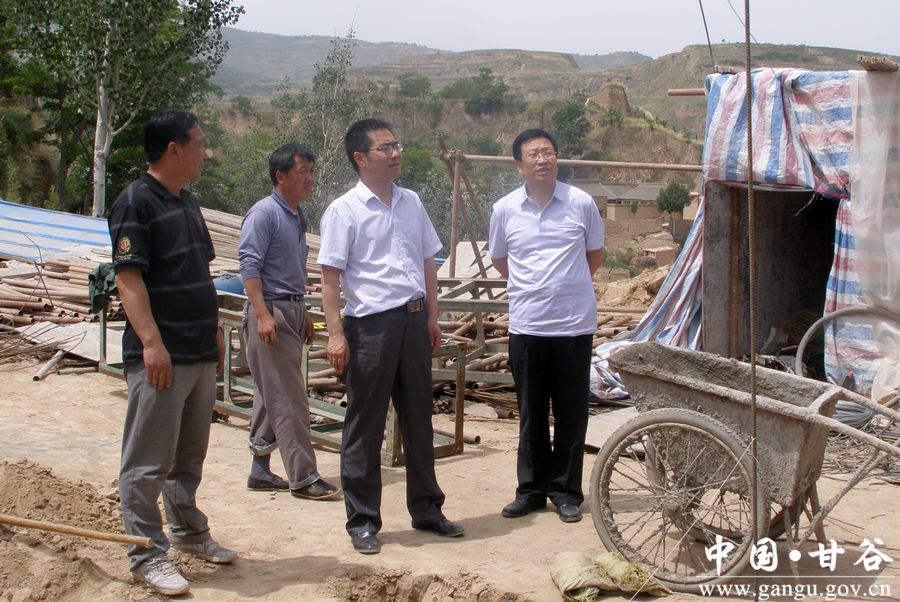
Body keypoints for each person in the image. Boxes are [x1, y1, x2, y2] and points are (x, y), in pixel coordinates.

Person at [318, 118, 464, 555]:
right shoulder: (344, 210)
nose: (395, 153)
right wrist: (336, 335)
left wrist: (433, 317)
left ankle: (427, 509)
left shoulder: (411, 202)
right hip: (371, 327)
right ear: (360, 158)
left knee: (419, 418)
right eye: (385, 148)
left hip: (413, 322)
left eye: (396, 145)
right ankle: (363, 521)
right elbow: (330, 277)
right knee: (365, 424)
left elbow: (428, 262)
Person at [108, 109, 237, 597]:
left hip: (197, 348)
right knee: (147, 460)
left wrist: (214, 331)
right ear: (173, 149)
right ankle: (146, 553)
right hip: (162, 355)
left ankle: (187, 531)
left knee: (188, 455)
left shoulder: (186, 201)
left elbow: (200, 272)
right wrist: (151, 343)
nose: (206, 152)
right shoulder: (135, 201)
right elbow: (128, 278)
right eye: (199, 143)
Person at [489, 128, 605, 524]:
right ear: (519, 165)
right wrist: (533, 288)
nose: (543, 160)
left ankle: (566, 492)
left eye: (548, 152)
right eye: (534, 154)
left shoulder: (581, 203)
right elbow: (501, 260)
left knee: (572, 413)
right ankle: (531, 491)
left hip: (573, 325)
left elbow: (594, 255)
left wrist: (565, 286)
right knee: (531, 414)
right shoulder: (505, 209)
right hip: (527, 326)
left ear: (557, 158)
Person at [238, 143, 339, 500]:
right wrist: (263, 314)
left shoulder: (297, 216)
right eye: (302, 171)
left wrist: (303, 309)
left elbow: (289, 270)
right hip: (271, 311)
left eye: (312, 170)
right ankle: (304, 477)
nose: (310, 178)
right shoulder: (263, 214)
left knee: (270, 394)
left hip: (290, 308)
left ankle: (260, 470)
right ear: (281, 176)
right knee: (289, 398)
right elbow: (249, 267)